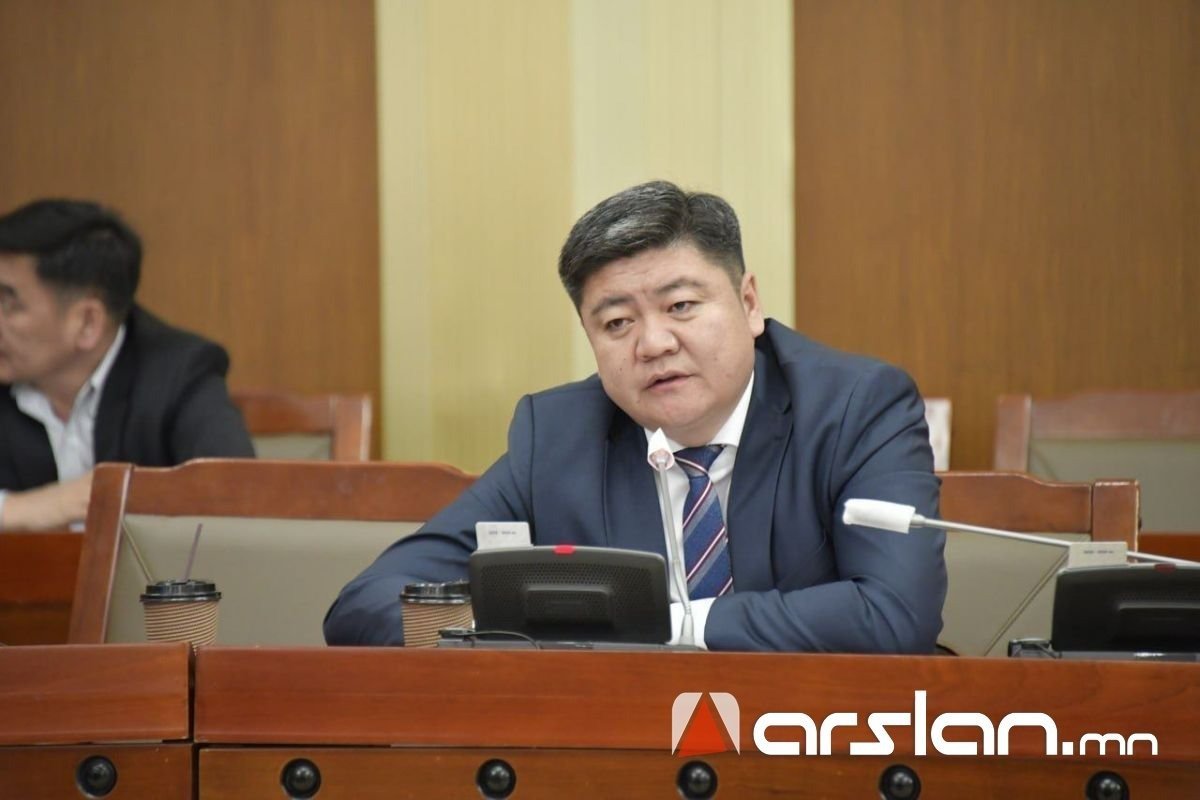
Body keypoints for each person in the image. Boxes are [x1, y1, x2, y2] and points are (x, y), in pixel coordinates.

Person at [325, 180, 946, 652]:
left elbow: (894, 613)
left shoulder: (856, 408)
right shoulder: (559, 435)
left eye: (681, 306)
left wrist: (659, 625)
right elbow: (366, 605)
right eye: (617, 322)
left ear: (748, 303)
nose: (653, 344)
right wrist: (523, 630)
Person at [0, 199, 254, 530]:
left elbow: (234, 499)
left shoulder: (179, 373)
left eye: (8, 302)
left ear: (87, 323)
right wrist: (27, 508)